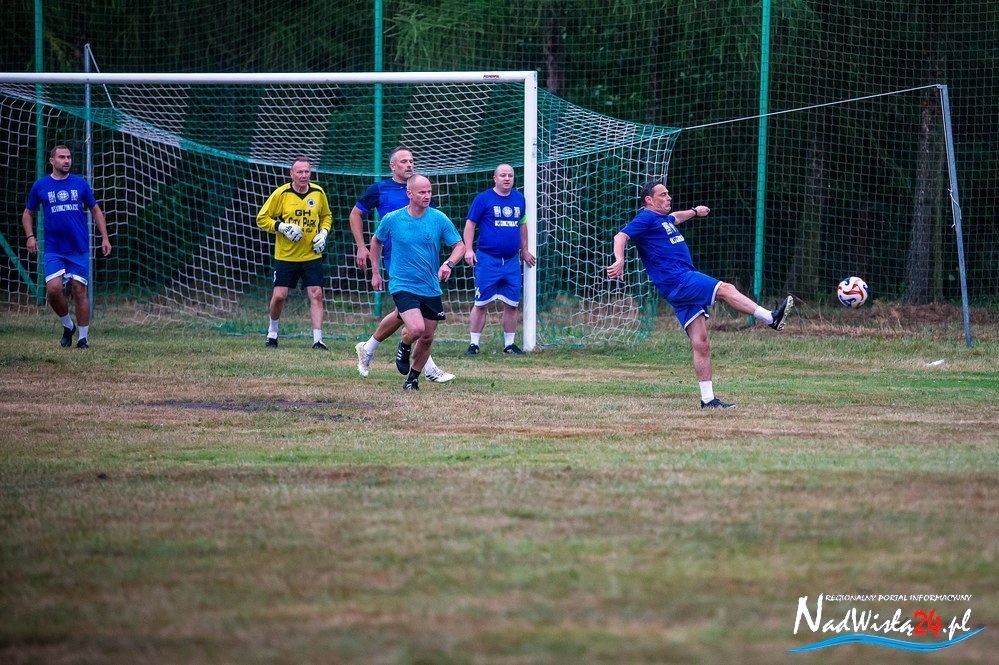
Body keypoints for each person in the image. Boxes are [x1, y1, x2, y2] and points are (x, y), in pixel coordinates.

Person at [606, 181, 793, 409]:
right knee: (726, 289)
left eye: (668, 193)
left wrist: (695, 211)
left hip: (677, 286)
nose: (669, 197)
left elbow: (677, 216)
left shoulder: (663, 219)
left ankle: (708, 400)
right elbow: (620, 236)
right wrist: (620, 259)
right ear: (649, 200)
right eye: (663, 194)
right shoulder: (645, 218)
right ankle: (771, 318)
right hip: (679, 279)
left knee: (701, 342)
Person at [350, 147, 454, 382]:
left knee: (404, 314)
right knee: (413, 318)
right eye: (404, 161)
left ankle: (368, 347)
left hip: (420, 262)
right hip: (396, 260)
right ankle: (427, 369)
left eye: (412, 160)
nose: (409, 164)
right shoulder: (380, 189)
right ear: (392, 166)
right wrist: (361, 247)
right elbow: (355, 214)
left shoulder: (421, 189)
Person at [368, 174, 464, 390]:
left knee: (427, 337)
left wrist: (448, 264)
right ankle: (404, 343)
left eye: (429, 191)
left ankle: (412, 379)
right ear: (409, 193)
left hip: (430, 285)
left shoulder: (439, 218)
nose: (427, 196)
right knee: (417, 329)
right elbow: (376, 241)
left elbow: (459, 246)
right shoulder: (392, 219)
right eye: (422, 192)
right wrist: (376, 272)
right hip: (402, 284)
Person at [22, 145, 112, 349]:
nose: (66, 160)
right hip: (54, 249)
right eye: (62, 157)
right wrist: (30, 236)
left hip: (78, 248)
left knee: (79, 290)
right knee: (53, 290)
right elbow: (28, 213)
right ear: (52, 161)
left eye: (69, 157)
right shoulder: (41, 186)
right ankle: (68, 325)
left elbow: (96, 211)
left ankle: (83, 339)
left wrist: (105, 238)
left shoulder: (80, 184)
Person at [256, 156, 333, 349]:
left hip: (311, 255)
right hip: (286, 256)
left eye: (307, 171)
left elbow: (326, 216)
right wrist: (281, 227)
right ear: (292, 174)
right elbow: (262, 218)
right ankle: (272, 333)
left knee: (316, 293)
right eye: (300, 172)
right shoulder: (282, 194)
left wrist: (323, 233)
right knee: (279, 295)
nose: (304, 175)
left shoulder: (318, 192)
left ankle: (318, 340)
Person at [462, 163, 536, 355]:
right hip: (488, 260)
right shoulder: (483, 199)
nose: (507, 178)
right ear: (495, 178)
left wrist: (525, 250)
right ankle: (474, 344)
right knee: (481, 304)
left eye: (510, 175)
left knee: (512, 304)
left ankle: (509, 344)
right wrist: (468, 249)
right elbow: (470, 224)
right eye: (503, 175)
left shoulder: (519, 199)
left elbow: (522, 225)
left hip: (511, 262)